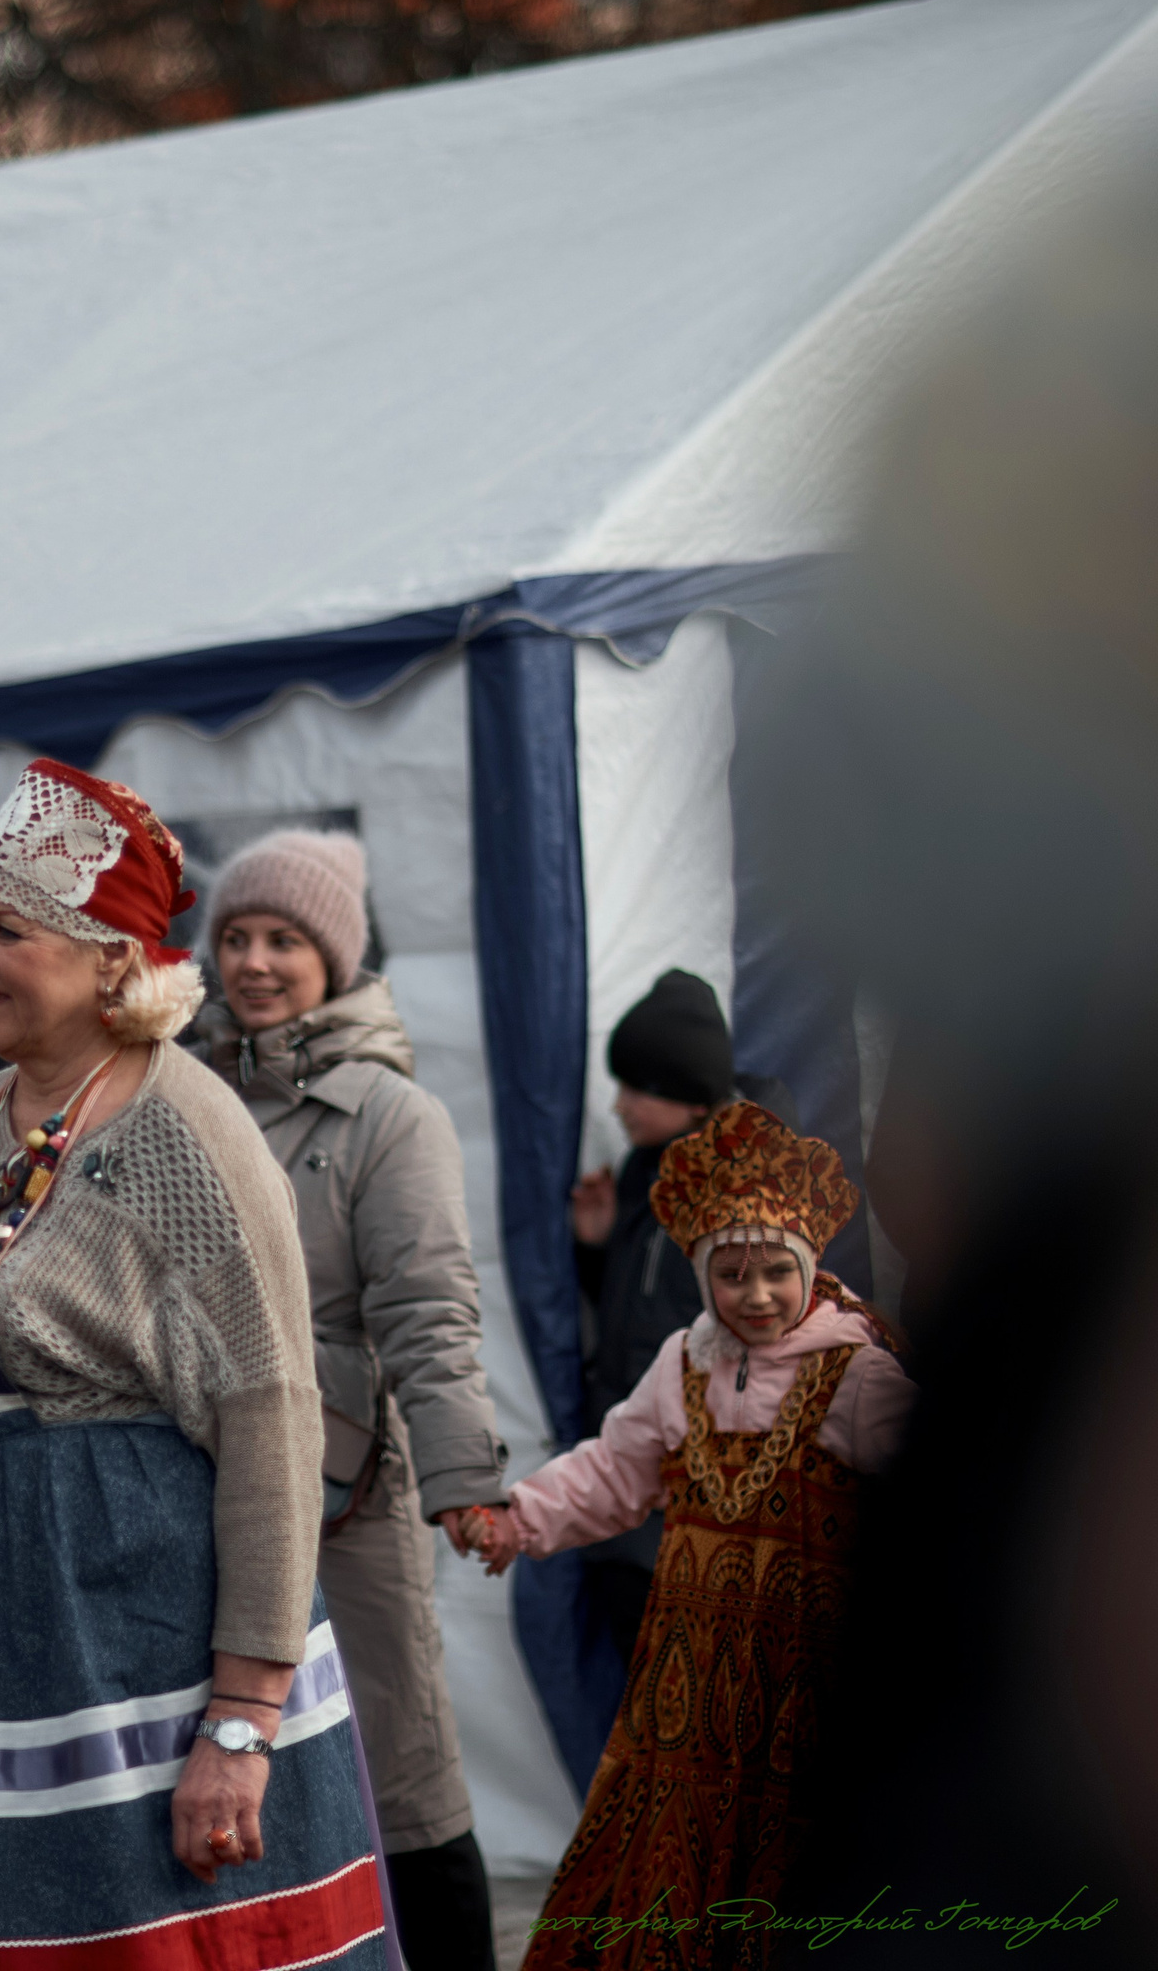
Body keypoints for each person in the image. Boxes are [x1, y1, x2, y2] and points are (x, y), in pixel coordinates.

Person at [0, 761, 389, 1971]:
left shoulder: (180, 1130)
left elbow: (273, 1412)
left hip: (129, 1649)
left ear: (111, 964)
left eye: (5, 929)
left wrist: (241, 1720)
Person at [476, 1102, 916, 1969]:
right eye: (733, 1274)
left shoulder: (855, 1373)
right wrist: (518, 1517)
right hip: (685, 1688)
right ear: (705, 1277)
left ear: (810, 1265)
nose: (756, 1295)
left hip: (803, 1683)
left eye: (777, 1272)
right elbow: (615, 1468)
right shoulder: (686, 1362)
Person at [198, 830, 505, 1971]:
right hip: (203, 1474)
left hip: (347, 1485)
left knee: (401, 1759)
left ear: (336, 955)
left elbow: (429, 1306)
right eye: (235, 935)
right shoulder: (182, 1085)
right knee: (242, 1755)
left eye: (283, 937)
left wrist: (465, 1477)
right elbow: (51, 1014)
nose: (255, 961)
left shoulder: (388, 1114)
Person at [567, 969, 787, 1667]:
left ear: (689, 1099)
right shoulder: (645, 1171)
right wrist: (597, 1248)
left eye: (638, 1089)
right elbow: (640, 1312)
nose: (622, 1105)